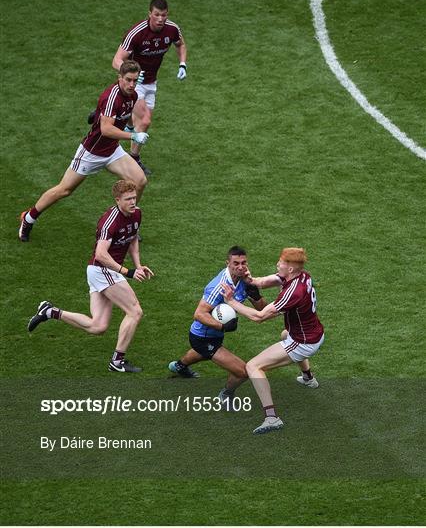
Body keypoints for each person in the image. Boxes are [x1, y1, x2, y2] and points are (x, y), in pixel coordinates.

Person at [27, 180, 154, 373]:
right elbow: (101, 255)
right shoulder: (109, 221)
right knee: (135, 311)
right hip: (103, 270)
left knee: (98, 326)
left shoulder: (136, 213)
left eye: (134, 197)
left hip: (103, 271)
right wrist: (127, 272)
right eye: (128, 199)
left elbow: (132, 238)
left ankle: (50, 312)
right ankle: (117, 361)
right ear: (117, 200)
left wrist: (138, 265)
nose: (133, 202)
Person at [18, 60, 148, 243]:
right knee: (64, 190)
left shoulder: (132, 94)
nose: (132, 84)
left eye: (135, 80)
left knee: (140, 180)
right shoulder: (112, 97)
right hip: (91, 153)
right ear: (119, 77)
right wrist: (133, 136)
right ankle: (28, 218)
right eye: (128, 80)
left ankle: (125, 223)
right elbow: (106, 130)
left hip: (111, 151)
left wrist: (129, 128)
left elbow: (125, 118)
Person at [222, 248, 324, 434]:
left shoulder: (293, 293)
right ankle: (309, 379)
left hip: (304, 342)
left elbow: (259, 317)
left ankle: (271, 417)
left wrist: (231, 302)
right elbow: (262, 281)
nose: (278, 264)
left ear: (291, 269)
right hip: (312, 332)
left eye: (281, 262)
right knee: (285, 334)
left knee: (253, 366)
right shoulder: (302, 275)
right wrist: (249, 279)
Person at [168, 246, 267, 409]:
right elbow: (199, 314)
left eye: (244, 263)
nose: (241, 267)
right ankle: (225, 395)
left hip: (214, 335)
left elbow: (262, 310)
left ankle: (179, 366)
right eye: (236, 263)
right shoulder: (218, 286)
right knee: (243, 371)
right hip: (202, 336)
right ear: (227, 263)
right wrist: (222, 326)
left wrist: (255, 295)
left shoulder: (245, 281)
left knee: (204, 354)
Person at [110, 0, 187, 173]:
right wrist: (132, 72)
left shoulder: (172, 29)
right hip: (135, 83)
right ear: (150, 14)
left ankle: (119, 116)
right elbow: (117, 59)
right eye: (157, 15)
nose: (161, 19)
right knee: (145, 120)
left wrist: (183, 64)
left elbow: (181, 45)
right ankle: (134, 160)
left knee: (139, 122)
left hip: (152, 82)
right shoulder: (137, 33)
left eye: (164, 15)